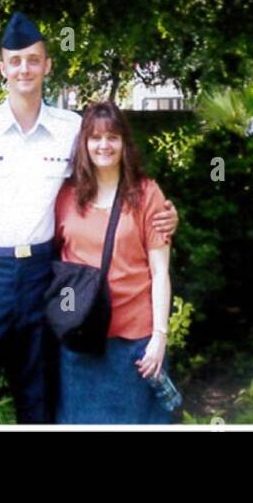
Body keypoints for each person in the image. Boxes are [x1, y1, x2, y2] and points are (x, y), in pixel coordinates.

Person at [0, 12, 178, 424]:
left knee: (39, 403)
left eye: (33, 59)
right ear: (2, 69)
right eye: (15, 61)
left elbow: (110, 175)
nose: (24, 68)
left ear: (47, 65)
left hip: (41, 278)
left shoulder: (70, 129)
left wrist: (163, 212)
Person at [53, 100, 175, 424]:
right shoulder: (65, 196)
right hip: (80, 342)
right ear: (84, 144)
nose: (103, 145)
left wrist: (160, 336)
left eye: (112, 137)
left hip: (134, 345)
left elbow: (160, 271)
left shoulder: (147, 194)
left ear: (124, 143)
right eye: (95, 138)